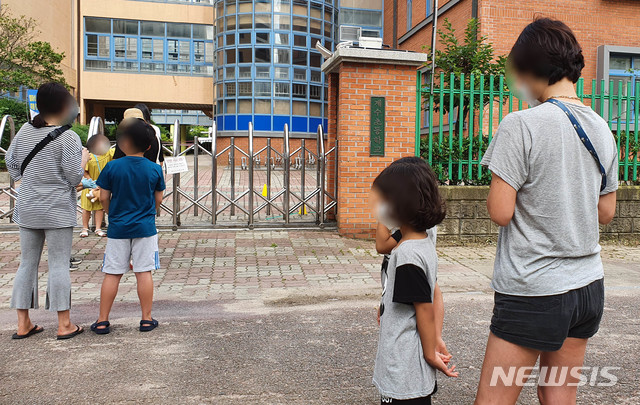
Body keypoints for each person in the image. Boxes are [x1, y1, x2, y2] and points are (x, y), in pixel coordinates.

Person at [475, 18, 619, 405]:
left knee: (493, 400)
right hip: (588, 286)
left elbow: (500, 211)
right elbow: (606, 212)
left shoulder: (520, 125)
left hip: (533, 289)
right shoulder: (603, 129)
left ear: (529, 69)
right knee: (559, 394)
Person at [371, 157, 458, 405]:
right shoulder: (422, 244)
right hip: (410, 369)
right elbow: (426, 297)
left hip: (402, 372)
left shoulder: (406, 253)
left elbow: (424, 307)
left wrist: (431, 354)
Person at [6, 82, 85, 340]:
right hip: (58, 209)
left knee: (27, 263)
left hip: (28, 206)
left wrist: (28, 178)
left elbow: (12, 164)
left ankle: (23, 323)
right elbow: (74, 176)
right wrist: (80, 166)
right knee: (59, 264)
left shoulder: (24, 133)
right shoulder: (68, 137)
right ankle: (64, 324)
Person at [90, 118, 165, 335]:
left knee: (112, 273)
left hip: (118, 227)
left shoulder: (112, 167)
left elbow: (104, 196)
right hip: (145, 227)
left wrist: (109, 211)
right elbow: (158, 198)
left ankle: (102, 320)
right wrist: (150, 211)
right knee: (144, 272)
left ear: (122, 143)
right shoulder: (154, 169)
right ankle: (146, 319)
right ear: (149, 146)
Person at [79, 134, 114, 238]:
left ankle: (98, 228)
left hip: (102, 185)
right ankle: (85, 227)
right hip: (89, 185)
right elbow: (85, 171)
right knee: (86, 208)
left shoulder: (108, 154)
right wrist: (91, 183)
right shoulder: (89, 156)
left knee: (100, 208)